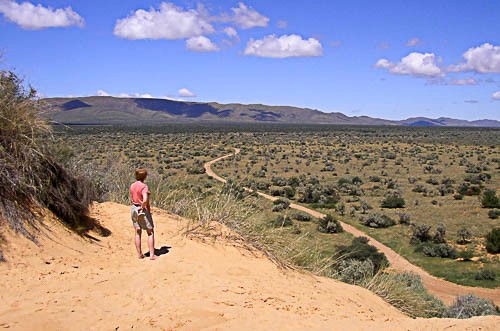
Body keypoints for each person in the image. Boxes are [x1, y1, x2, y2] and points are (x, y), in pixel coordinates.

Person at [130, 168, 158, 260]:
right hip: (142, 210)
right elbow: (145, 199)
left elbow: (133, 197)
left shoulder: (132, 185)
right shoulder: (144, 186)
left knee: (138, 231)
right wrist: (142, 207)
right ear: (145, 176)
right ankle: (152, 255)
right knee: (150, 232)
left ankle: (139, 254)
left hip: (133, 208)